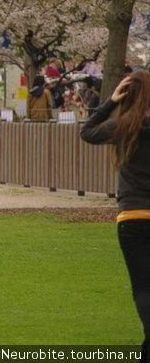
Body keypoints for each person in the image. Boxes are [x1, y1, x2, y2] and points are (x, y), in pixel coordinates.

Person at [80, 71, 150, 360]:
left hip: (132, 214)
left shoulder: (124, 126)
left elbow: (87, 131)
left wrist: (110, 101)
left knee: (143, 286)